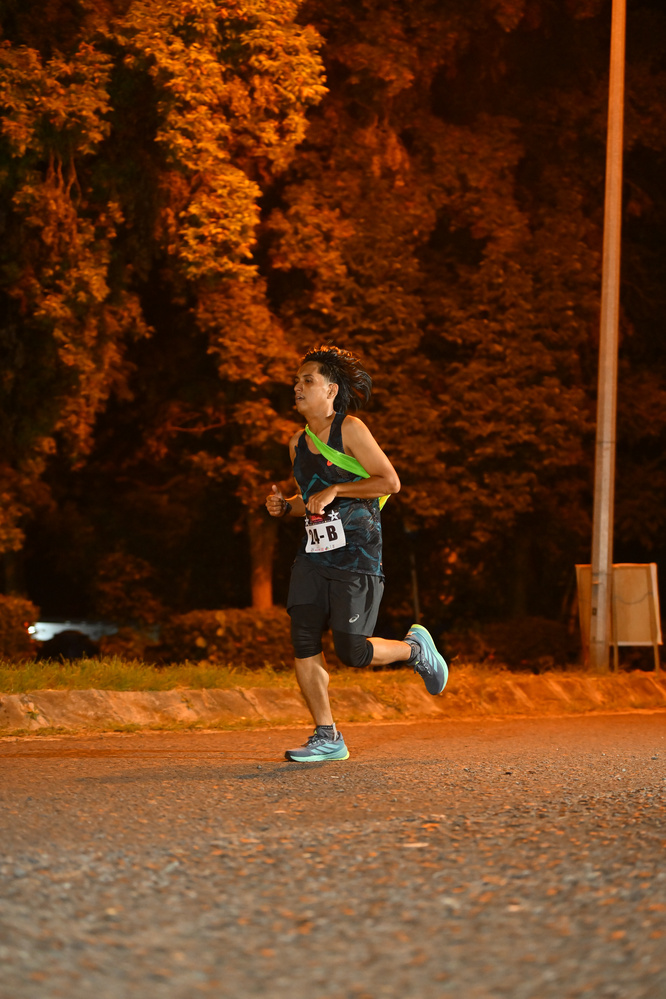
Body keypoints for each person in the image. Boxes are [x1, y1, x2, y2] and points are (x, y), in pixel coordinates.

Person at [266, 345, 447, 762]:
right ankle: (327, 736)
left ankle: (415, 650)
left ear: (330, 391)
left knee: (353, 652)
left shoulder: (350, 430)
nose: (297, 387)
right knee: (303, 637)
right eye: (296, 381)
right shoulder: (296, 443)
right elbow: (309, 499)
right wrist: (286, 507)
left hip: (357, 555)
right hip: (313, 555)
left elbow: (389, 482)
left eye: (307, 380)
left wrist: (337, 489)